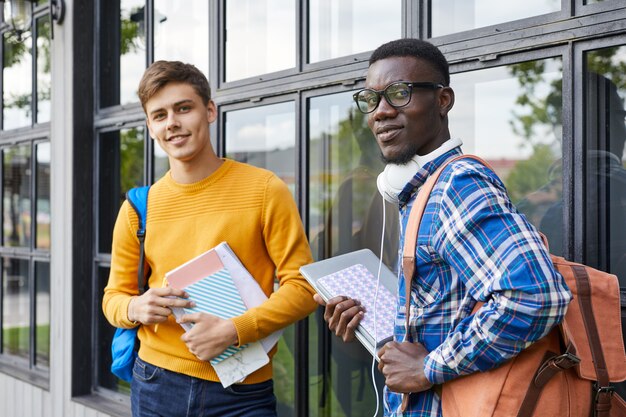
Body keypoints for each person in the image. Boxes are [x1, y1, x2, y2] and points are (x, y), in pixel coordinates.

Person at [314, 38, 573, 416]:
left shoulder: (457, 185)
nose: (380, 112)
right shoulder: (419, 190)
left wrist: (429, 368)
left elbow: (534, 296)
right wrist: (370, 321)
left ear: (443, 100)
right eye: (371, 99)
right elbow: (444, 312)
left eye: (398, 94)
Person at [102, 60, 318, 417]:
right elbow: (113, 297)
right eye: (159, 115)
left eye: (183, 108)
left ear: (210, 111)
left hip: (242, 391)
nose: (172, 122)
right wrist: (135, 308)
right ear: (150, 127)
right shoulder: (137, 209)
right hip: (156, 383)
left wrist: (235, 330)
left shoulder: (264, 189)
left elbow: (304, 287)